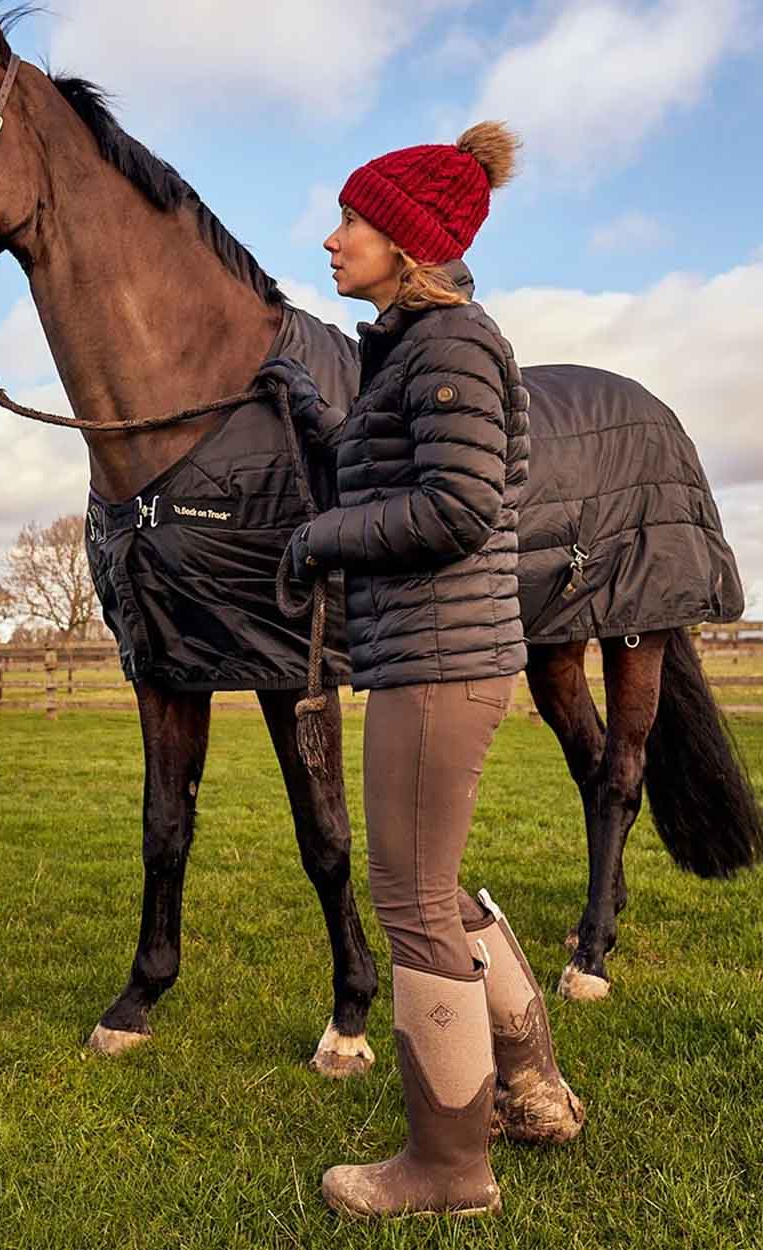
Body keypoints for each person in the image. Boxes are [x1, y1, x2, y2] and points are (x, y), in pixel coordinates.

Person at [257, 122, 583, 1220]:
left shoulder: (448, 346)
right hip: (436, 653)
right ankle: (530, 1087)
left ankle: (447, 1167)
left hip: (439, 662)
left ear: (404, 242)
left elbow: (454, 507)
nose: (329, 237)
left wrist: (319, 539)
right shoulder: (414, 349)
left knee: (405, 899)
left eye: (350, 220)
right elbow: (405, 464)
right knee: (433, 887)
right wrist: (320, 419)